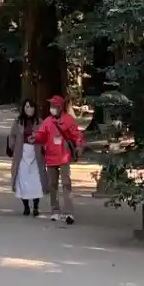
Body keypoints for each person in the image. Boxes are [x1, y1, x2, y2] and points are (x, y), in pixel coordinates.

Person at [32, 93, 83, 224]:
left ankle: (69, 212)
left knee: (66, 183)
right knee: (52, 185)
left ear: (60, 107)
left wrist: (79, 145)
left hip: (64, 156)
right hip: (51, 157)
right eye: (51, 105)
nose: (52, 108)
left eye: (54, 105)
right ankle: (55, 210)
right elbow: (41, 135)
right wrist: (35, 138)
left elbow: (76, 134)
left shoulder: (68, 120)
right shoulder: (47, 121)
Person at [7, 99, 45, 216]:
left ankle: (36, 206)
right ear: (23, 108)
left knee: (36, 181)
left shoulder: (39, 122)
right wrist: (13, 146)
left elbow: (45, 136)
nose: (29, 109)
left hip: (35, 154)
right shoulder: (18, 121)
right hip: (22, 153)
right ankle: (26, 206)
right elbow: (12, 136)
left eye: (31, 107)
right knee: (23, 180)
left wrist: (39, 142)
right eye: (27, 107)